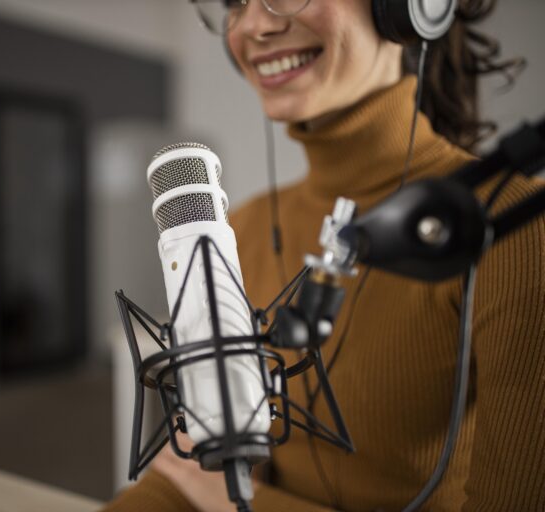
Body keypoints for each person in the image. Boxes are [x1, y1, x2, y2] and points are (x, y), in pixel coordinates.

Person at [104, 0, 545, 510]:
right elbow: (190, 481)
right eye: (233, 3)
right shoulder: (240, 227)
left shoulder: (516, 230)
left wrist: (239, 505)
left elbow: (216, 496)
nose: (253, 26)